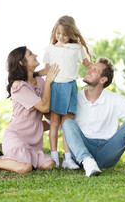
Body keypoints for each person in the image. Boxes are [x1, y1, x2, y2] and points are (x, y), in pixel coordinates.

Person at [62, 57, 125, 177]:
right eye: (90, 68)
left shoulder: (114, 98)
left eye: (94, 70)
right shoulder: (75, 97)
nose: (88, 71)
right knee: (68, 123)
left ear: (103, 79)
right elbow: (56, 122)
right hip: (83, 148)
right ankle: (87, 161)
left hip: (108, 151)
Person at [38, 15, 92, 169]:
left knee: (67, 123)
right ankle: (54, 157)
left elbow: (87, 64)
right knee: (54, 122)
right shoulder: (50, 50)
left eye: (65, 34)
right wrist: (33, 74)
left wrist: (99, 69)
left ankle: (68, 159)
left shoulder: (77, 49)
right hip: (54, 87)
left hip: (69, 87)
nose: (61, 37)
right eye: (58, 33)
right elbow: (46, 69)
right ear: (55, 32)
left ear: (72, 34)